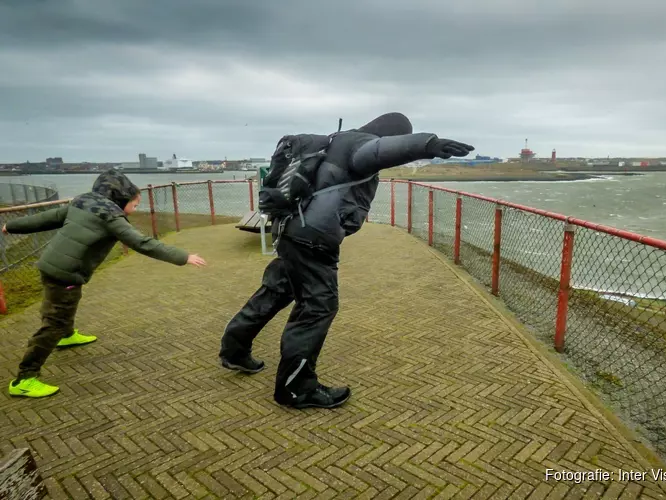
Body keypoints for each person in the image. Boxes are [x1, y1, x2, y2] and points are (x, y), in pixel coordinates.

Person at [219, 112, 474, 409]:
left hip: (289, 228)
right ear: (391, 134)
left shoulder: (333, 140)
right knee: (318, 306)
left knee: (278, 289)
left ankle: (234, 350)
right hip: (313, 239)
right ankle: (296, 389)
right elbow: (381, 151)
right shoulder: (362, 147)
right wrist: (428, 144)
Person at [4, 170, 207, 398]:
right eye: (135, 203)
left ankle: (66, 335)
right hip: (66, 273)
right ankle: (25, 378)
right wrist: (183, 256)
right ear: (121, 200)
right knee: (55, 321)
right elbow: (142, 242)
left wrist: (11, 226)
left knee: (65, 304)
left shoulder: (84, 202)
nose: (136, 208)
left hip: (53, 265)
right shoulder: (112, 217)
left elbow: (47, 218)